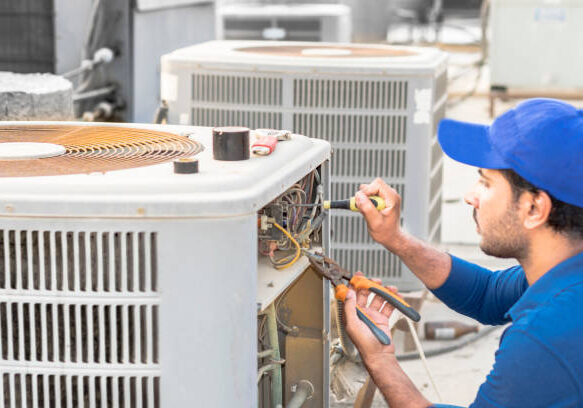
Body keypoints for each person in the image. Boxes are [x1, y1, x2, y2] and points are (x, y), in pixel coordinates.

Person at [344, 98, 583, 407]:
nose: (470, 196)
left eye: (485, 182)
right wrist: (396, 239)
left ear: (535, 208)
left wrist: (378, 358)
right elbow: (488, 294)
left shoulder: (544, 338)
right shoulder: (564, 265)